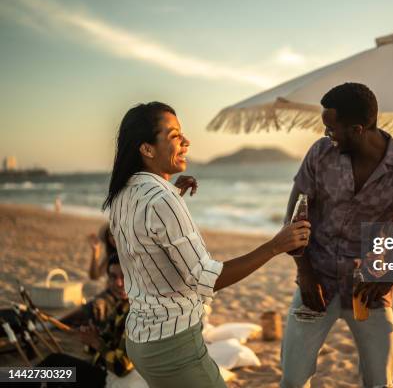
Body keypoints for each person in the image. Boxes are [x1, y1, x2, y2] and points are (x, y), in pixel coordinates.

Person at [102, 101, 310, 388]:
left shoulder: (121, 195)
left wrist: (172, 188)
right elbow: (205, 279)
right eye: (175, 136)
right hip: (173, 347)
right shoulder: (163, 200)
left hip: (140, 339)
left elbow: (145, 239)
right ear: (147, 149)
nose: (186, 141)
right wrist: (275, 245)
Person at [280, 83, 393, 387]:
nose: (327, 135)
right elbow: (293, 220)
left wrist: (388, 278)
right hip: (315, 286)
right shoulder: (320, 153)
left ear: (358, 129)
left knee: (380, 383)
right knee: (292, 380)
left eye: (332, 128)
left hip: (370, 293)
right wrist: (305, 274)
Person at [25, 255, 133, 388]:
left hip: (113, 380)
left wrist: (95, 342)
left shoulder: (135, 314)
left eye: (124, 276)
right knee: (55, 372)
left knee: (55, 363)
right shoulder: (122, 306)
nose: (118, 283)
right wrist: (91, 338)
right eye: (113, 277)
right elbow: (104, 344)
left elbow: (121, 367)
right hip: (102, 370)